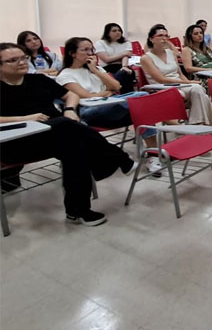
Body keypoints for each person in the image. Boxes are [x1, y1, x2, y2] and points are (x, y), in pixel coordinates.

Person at [0, 42, 136, 226]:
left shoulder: (38, 80)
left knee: (76, 148)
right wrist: (25, 118)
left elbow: (70, 95)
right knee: (69, 129)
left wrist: (70, 109)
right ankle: (119, 158)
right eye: (12, 60)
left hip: (55, 135)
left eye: (23, 57)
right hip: (18, 142)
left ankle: (77, 212)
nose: (21, 62)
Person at [139, 24, 212, 175]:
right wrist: (189, 82)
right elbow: (160, 78)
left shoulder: (170, 53)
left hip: (179, 84)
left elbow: (179, 74)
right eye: (160, 36)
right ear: (151, 39)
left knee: (199, 90)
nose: (164, 38)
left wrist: (187, 82)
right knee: (195, 89)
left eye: (166, 36)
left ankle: (196, 129)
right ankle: (198, 131)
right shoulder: (146, 58)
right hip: (162, 89)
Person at [56, 37, 148, 129]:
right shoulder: (65, 75)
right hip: (88, 110)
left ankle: (151, 139)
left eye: (91, 50)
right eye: (85, 50)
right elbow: (87, 96)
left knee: (142, 97)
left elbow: (117, 86)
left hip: (109, 103)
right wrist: (107, 93)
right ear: (72, 53)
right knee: (142, 108)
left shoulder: (95, 68)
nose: (90, 53)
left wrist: (95, 70)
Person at [93, 23, 137, 93]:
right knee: (121, 76)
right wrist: (123, 54)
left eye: (119, 30)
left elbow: (125, 57)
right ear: (107, 33)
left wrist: (124, 66)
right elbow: (106, 59)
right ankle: (118, 91)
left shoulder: (126, 43)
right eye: (114, 31)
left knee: (125, 72)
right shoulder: (100, 43)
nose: (117, 32)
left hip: (121, 65)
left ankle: (127, 95)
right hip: (106, 68)